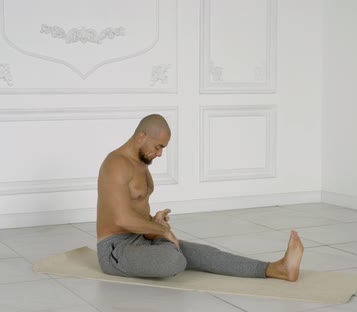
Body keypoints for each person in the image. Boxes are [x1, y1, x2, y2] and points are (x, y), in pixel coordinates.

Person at [96, 114, 304, 281]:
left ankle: (276, 269)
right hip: (116, 249)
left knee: (206, 253)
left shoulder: (141, 164)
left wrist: (154, 222)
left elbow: (134, 212)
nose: (159, 154)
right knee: (173, 261)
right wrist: (162, 231)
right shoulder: (116, 164)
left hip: (141, 237)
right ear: (141, 137)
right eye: (158, 146)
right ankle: (168, 246)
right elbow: (121, 219)